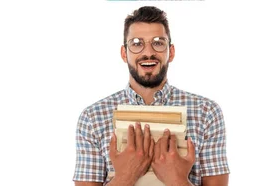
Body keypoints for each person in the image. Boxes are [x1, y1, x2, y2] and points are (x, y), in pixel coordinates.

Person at [73, 6, 230, 186]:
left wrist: (176, 179)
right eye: (137, 43)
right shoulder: (92, 118)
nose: (148, 52)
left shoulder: (206, 112)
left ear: (171, 52)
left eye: (158, 42)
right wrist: (126, 176)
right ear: (124, 54)